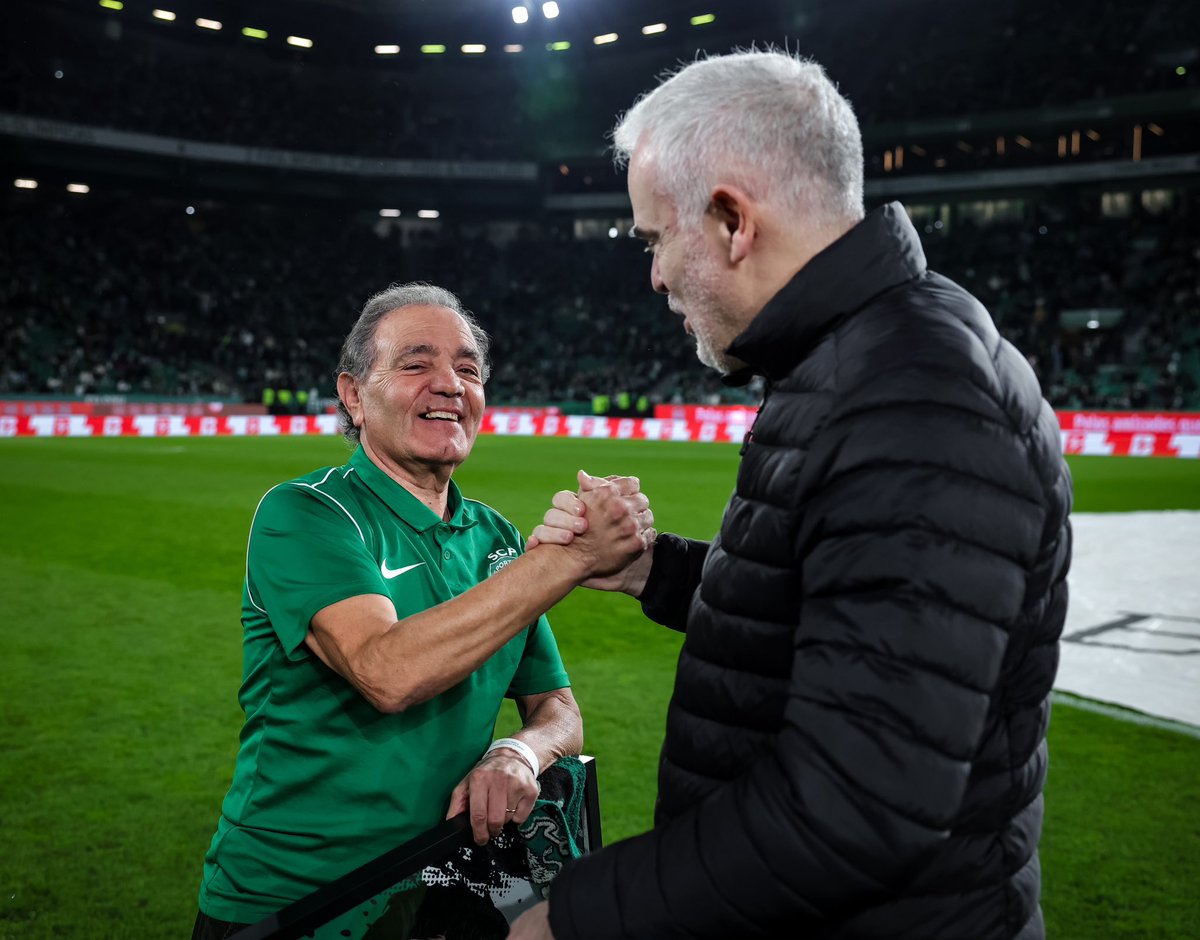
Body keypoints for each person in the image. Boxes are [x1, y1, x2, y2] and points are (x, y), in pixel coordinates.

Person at [510, 51, 1072, 939]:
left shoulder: (914, 397)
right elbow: (832, 617)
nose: (654, 276)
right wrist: (652, 570)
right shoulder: (859, 362)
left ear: (732, 219)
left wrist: (574, 920)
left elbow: (857, 805)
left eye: (656, 239)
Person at [193, 283, 652, 937]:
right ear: (353, 393)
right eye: (416, 364)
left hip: (443, 880)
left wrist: (518, 753)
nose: (450, 384)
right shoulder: (307, 513)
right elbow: (388, 671)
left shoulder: (495, 539)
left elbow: (558, 710)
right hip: (298, 899)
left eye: (468, 369)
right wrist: (568, 559)